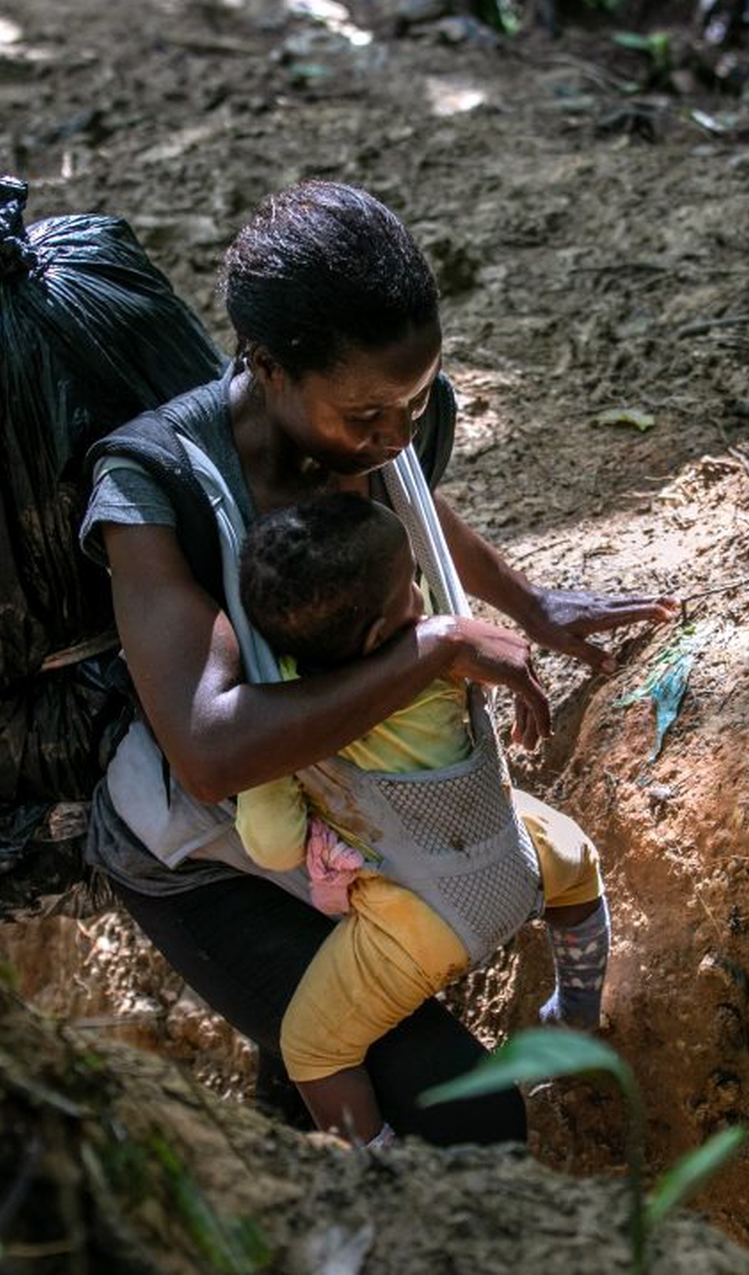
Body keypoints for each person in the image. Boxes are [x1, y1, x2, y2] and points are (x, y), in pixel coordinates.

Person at [80, 180, 676, 1145]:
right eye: (368, 414)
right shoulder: (155, 489)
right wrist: (437, 644)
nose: (399, 437)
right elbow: (211, 750)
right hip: (210, 852)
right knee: (466, 1114)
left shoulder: (374, 424)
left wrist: (526, 601)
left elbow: (404, 515)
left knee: (339, 1064)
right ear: (269, 369)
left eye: (417, 399)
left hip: (352, 834)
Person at [232, 492, 610, 1145]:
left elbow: (271, 845)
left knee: (314, 1051)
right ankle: (575, 1011)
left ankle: (380, 1169)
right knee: (579, 867)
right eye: (412, 579)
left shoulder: (287, 717)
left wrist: (307, 831)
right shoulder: (444, 659)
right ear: (384, 631)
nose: (420, 587)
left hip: (418, 926)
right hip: (522, 860)